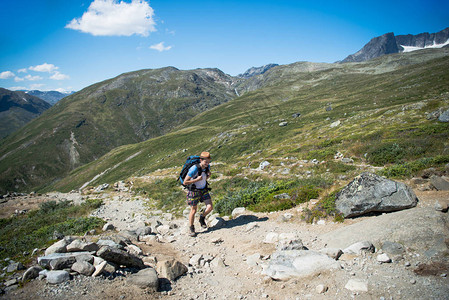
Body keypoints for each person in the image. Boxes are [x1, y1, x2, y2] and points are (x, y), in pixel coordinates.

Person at [183, 152, 213, 237]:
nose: (207, 164)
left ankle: (202, 218)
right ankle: (191, 228)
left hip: (203, 189)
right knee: (193, 210)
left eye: (208, 162)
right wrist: (196, 180)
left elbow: (204, 178)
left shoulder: (207, 167)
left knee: (210, 207)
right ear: (201, 160)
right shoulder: (194, 169)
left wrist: (208, 176)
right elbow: (185, 182)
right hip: (194, 191)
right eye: (206, 162)